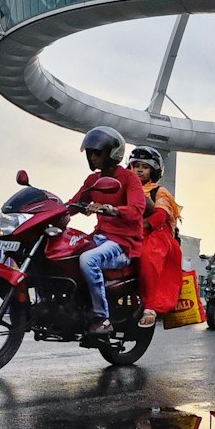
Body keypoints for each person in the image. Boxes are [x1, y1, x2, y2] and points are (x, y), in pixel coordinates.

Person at [68, 126, 145, 338]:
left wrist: (110, 209)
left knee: (88, 260)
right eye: (90, 152)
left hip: (123, 244)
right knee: (68, 253)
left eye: (97, 152)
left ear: (112, 153)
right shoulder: (93, 181)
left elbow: (137, 210)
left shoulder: (129, 178)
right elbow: (74, 204)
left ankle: (102, 319)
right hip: (100, 238)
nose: (92, 157)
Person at [127, 145, 183, 329]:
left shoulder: (159, 191)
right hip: (127, 231)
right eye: (136, 165)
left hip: (156, 235)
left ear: (154, 170)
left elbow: (160, 215)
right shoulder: (123, 188)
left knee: (147, 257)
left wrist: (143, 224)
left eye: (145, 166)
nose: (140, 169)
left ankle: (150, 306)